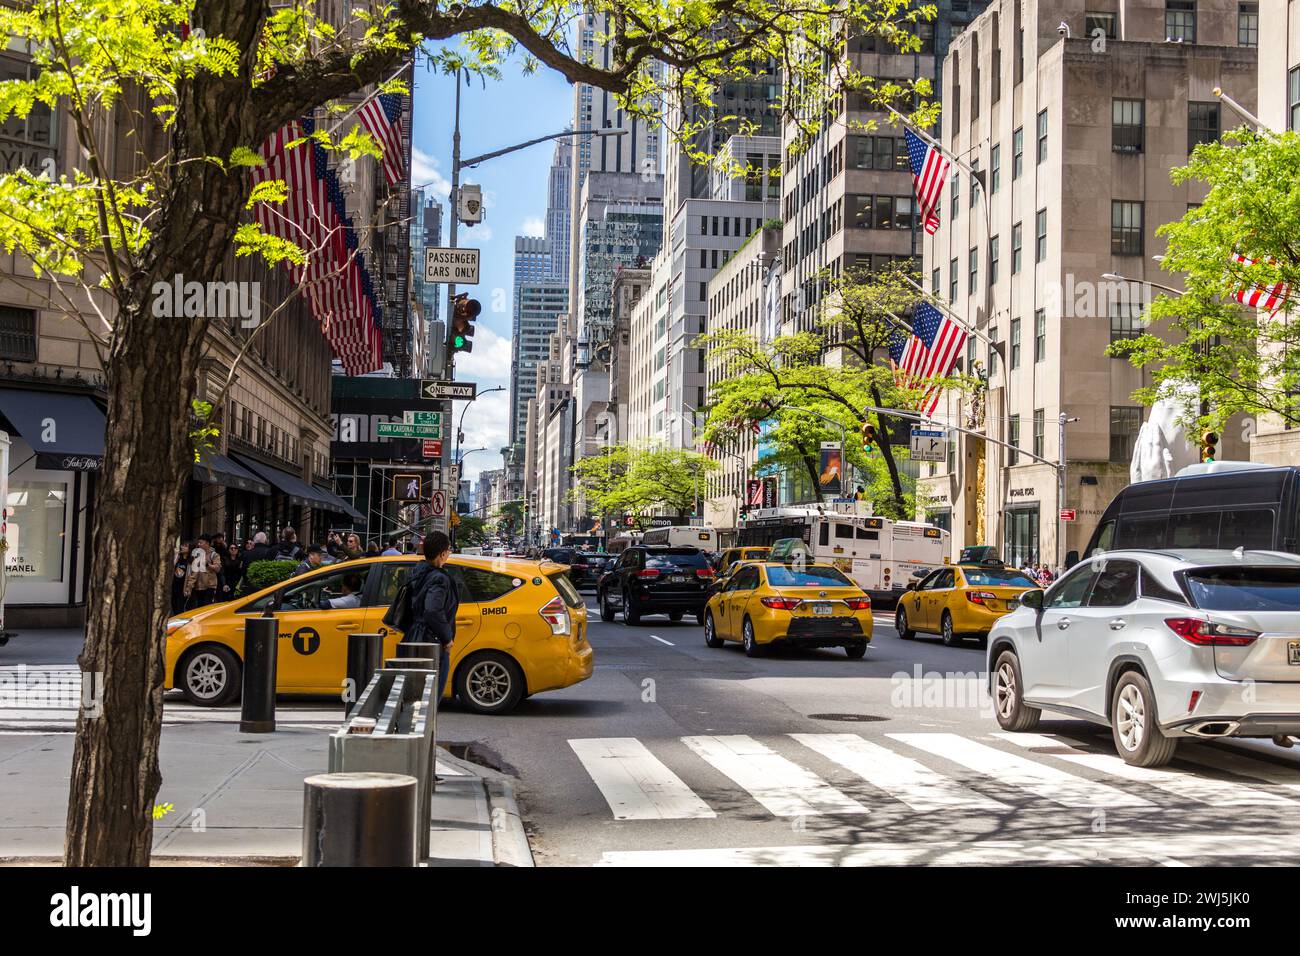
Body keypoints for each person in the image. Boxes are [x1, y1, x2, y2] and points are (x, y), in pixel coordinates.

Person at [402, 531, 459, 703]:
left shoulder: (419, 572)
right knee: (430, 698)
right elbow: (432, 610)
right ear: (442, 554)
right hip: (432, 643)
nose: (449, 553)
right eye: (449, 550)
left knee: (415, 696)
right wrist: (447, 638)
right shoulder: (439, 579)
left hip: (414, 637)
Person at [183, 534, 222, 609]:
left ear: (207, 543)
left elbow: (218, 568)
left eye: (201, 542)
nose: (199, 544)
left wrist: (208, 564)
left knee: (207, 608)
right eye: (198, 543)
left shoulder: (214, 555)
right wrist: (189, 586)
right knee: (199, 608)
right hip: (198, 587)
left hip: (209, 587)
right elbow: (194, 572)